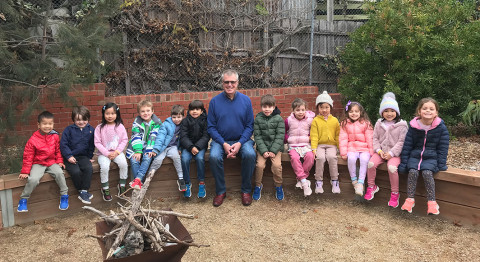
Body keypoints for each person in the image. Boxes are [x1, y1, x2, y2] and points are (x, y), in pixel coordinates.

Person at [207, 69, 256, 207]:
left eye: (232, 82)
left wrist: (240, 143)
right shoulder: (215, 102)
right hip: (220, 141)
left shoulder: (246, 101)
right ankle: (220, 191)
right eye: (226, 82)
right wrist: (223, 144)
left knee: (250, 154)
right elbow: (211, 127)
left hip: (242, 140)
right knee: (214, 157)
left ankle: (246, 191)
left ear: (237, 83)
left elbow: (249, 126)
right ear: (222, 83)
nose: (229, 85)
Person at [399, 97, 449, 215]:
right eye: (425, 108)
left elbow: (443, 147)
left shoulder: (441, 128)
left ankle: (432, 202)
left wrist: (441, 164)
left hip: (431, 157)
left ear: (436, 112)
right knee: (412, 171)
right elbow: (407, 146)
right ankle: (410, 199)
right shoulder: (414, 127)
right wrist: (404, 163)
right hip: (415, 156)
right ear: (419, 111)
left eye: (431, 109)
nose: (428, 111)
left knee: (427, 173)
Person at [17, 111, 69, 212]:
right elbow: (28, 156)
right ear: (38, 125)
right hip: (38, 163)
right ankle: (23, 200)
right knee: (33, 179)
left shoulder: (55, 136)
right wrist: (25, 171)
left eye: (50, 124)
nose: (47, 126)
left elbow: (57, 150)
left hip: (51, 161)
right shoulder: (33, 140)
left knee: (59, 173)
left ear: (53, 124)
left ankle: (64, 196)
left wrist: (59, 161)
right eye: (44, 124)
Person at [365, 93, 408, 208]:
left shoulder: (402, 126)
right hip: (381, 152)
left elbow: (401, 142)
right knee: (371, 164)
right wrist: (378, 151)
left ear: (397, 112)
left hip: (394, 154)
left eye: (392, 111)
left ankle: (395, 193)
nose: (389, 114)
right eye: (386, 111)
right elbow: (375, 138)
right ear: (382, 112)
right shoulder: (379, 124)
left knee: (392, 167)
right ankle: (371, 187)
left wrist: (391, 153)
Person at [252, 94, 285, 201]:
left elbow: (280, 136)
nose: (267, 109)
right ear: (261, 107)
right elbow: (257, 136)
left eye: (269, 107)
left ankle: (278, 186)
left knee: (276, 166)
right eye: (264, 107)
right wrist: (264, 151)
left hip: (276, 148)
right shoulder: (258, 119)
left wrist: (273, 150)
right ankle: (258, 186)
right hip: (263, 148)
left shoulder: (279, 119)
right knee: (260, 165)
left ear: (274, 107)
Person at [60, 106, 95, 204]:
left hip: (83, 156)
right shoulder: (69, 130)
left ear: (88, 119)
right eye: (78, 120)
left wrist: (89, 157)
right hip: (70, 157)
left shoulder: (91, 130)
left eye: (84, 119)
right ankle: (80, 190)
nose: (81, 122)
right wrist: (68, 156)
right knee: (75, 171)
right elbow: (63, 144)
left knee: (88, 168)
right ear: (73, 119)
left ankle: (84, 190)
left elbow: (91, 145)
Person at [94, 103, 129, 201]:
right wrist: (107, 153)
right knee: (104, 167)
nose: (110, 116)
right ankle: (105, 188)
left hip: (117, 152)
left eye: (112, 113)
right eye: (107, 113)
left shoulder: (120, 126)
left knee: (123, 164)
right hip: (104, 154)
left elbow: (124, 140)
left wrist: (117, 152)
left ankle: (122, 185)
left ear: (117, 114)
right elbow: (97, 142)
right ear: (103, 114)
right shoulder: (99, 128)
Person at [148, 105, 185, 192]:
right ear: (171, 116)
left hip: (173, 147)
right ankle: (148, 177)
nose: (177, 119)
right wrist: (156, 149)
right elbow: (160, 138)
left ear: (183, 116)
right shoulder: (166, 125)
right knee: (158, 160)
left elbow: (182, 138)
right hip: (163, 147)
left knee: (176, 157)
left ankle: (181, 178)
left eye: (179, 117)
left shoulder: (183, 125)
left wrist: (180, 148)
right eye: (174, 117)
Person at [339, 101, 373, 197]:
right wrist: (343, 153)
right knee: (351, 159)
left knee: (364, 159)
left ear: (361, 112)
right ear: (347, 113)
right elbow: (343, 139)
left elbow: (369, 138)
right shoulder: (344, 124)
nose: (354, 113)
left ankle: (360, 183)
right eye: (351, 111)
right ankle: (354, 180)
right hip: (351, 148)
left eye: (356, 111)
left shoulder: (366, 123)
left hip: (364, 148)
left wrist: (371, 152)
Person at [126, 100, 162, 189]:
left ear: (152, 111)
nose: (145, 113)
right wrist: (138, 151)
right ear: (139, 113)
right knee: (134, 159)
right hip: (137, 144)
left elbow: (153, 137)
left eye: (148, 110)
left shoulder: (157, 122)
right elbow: (135, 135)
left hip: (151, 145)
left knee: (147, 157)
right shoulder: (137, 122)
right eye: (142, 111)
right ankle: (139, 183)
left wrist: (149, 149)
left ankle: (137, 179)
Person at [310, 91, 341, 194]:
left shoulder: (335, 120)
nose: (324, 110)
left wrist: (339, 147)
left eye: (327, 107)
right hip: (320, 145)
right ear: (318, 108)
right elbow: (314, 136)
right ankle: (318, 182)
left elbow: (338, 135)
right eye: (321, 107)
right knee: (320, 158)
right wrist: (314, 148)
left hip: (332, 145)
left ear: (330, 107)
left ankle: (335, 181)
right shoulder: (315, 121)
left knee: (332, 158)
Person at [285, 98, 316, 197]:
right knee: (294, 158)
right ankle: (304, 181)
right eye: (298, 110)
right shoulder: (288, 120)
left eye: (303, 110)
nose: (300, 112)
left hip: (306, 145)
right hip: (293, 145)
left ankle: (301, 179)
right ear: (293, 110)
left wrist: (310, 137)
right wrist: (287, 138)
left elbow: (314, 131)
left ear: (306, 110)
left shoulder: (310, 120)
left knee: (310, 157)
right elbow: (284, 132)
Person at [180, 100, 210, 198]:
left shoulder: (205, 120)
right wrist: (191, 147)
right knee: (184, 159)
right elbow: (183, 136)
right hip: (187, 147)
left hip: (200, 147)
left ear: (202, 111)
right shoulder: (185, 121)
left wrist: (197, 147)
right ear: (189, 111)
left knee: (200, 158)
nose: (194, 111)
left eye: (197, 109)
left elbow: (206, 136)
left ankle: (201, 183)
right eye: (192, 109)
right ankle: (187, 183)